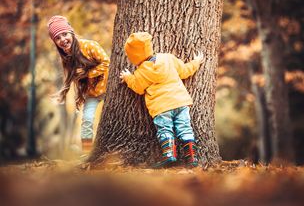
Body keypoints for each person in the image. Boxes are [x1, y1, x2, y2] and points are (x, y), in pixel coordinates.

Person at [119, 32, 204, 167]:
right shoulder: (168, 58)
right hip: (180, 102)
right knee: (185, 128)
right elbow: (185, 70)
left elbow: (138, 87)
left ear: (134, 56)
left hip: (161, 107)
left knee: (165, 129)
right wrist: (196, 62)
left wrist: (128, 77)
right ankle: (192, 157)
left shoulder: (141, 72)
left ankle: (169, 155)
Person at [48, 15, 110, 153]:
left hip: (110, 90)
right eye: (57, 38)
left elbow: (107, 63)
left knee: (111, 120)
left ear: (71, 33)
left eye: (65, 34)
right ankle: (86, 153)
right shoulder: (67, 59)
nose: (62, 39)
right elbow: (76, 79)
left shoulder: (89, 45)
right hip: (92, 94)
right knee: (87, 121)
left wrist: (87, 73)